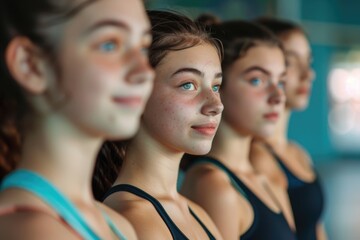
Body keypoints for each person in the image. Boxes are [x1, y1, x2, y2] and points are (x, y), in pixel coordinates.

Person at [0, 0, 154, 239]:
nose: (144, 71)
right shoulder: (30, 230)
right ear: (30, 65)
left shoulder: (118, 224)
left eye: (144, 47)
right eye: (110, 44)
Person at [94, 10, 224, 240]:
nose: (215, 105)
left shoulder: (198, 215)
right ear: (136, 91)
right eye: (187, 85)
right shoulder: (134, 219)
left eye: (215, 86)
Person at [180, 20, 297, 240]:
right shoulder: (213, 184)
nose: (278, 96)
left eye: (280, 82)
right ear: (218, 85)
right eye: (257, 80)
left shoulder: (264, 176)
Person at [251, 17, 327, 240]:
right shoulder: (257, 158)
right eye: (292, 61)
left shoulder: (297, 152)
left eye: (309, 61)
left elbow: (317, 229)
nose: (308, 73)